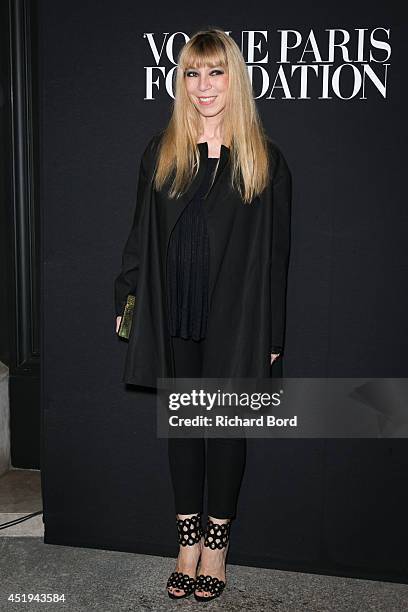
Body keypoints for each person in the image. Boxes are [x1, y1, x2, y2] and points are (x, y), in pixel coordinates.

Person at [114, 28, 292, 602]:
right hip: (174, 315)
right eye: (193, 73)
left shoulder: (264, 159)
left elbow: (276, 257)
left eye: (215, 72)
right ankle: (185, 544)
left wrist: (271, 332)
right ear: (182, 81)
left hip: (235, 317)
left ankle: (217, 546)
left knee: (224, 431)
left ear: (233, 78)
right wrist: (130, 302)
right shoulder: (159, 151)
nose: (203, 86)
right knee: (184, 431)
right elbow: (140, 238)